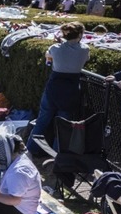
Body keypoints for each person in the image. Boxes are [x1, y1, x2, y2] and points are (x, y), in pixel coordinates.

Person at [26, 21, 89, 156]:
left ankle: (29, 150)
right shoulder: (85, 49)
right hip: (70, 91)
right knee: (62, 126)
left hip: (53, 89)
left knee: (42, 121)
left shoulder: (55, 48)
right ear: (80, 35)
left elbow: (48, 57)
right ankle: (56, 157)